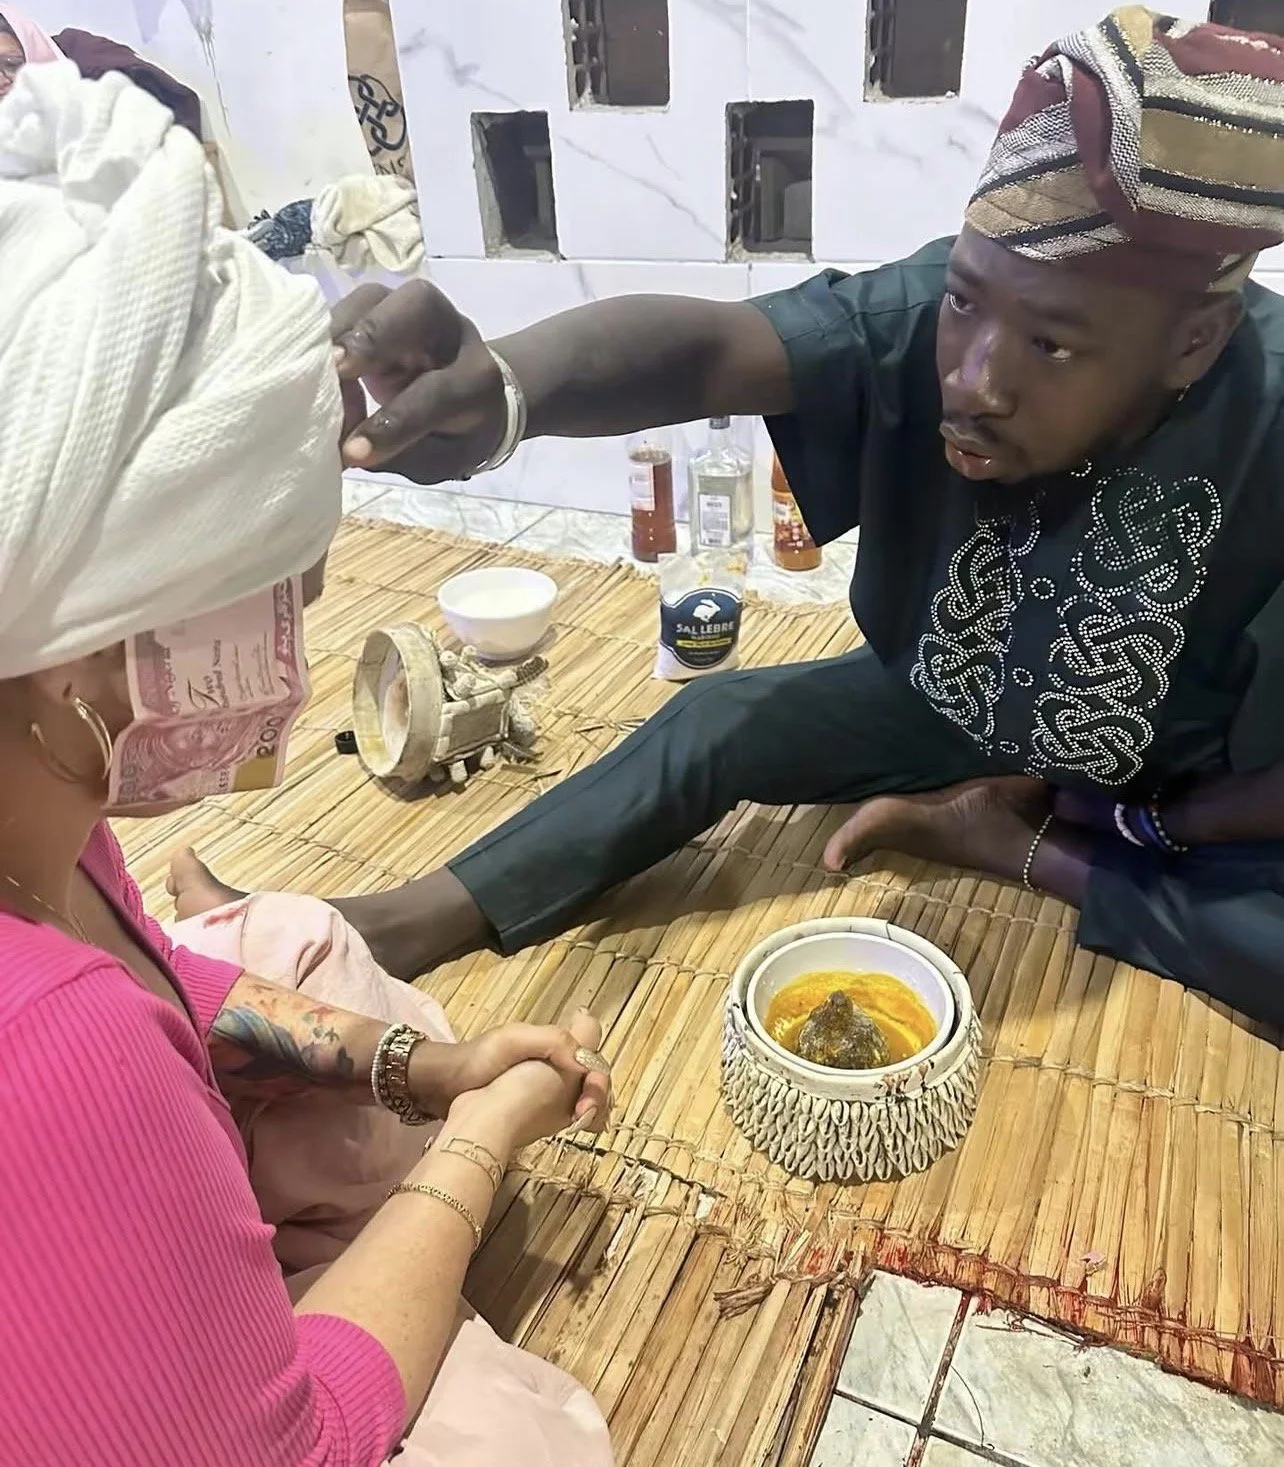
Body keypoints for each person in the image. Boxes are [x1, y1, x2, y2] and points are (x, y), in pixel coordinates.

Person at [181, 7, 1284, 1027]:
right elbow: (713, 350)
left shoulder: (1272, 426)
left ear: (1192, 341)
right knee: (716, 723)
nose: (975, 380)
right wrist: (505, 390)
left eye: (1050, 346)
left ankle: (1015, 845)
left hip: (1178, 790)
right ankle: (398, 920)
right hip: (960, 695)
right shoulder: (928, 323)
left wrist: (1153, 831)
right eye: (964, 302)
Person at [0, 62, 613, 1466]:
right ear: (74, 646)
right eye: (274, 588)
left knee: (299, 943)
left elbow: (164, 976)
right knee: (518, 1435)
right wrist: (482, 1142)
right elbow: (299, 1440)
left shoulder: (36, 786)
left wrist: (424, 1065)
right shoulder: (57, 1048)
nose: (302, 631)